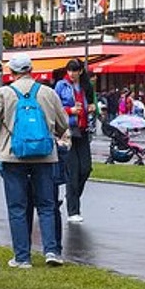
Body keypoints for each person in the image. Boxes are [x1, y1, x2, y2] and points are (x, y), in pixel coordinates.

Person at [0, 54, 69, 268]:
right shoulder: (48, 92)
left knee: (17, 207)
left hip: (13, 156)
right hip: (45, 156)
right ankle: (51, 251)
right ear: (31, 70)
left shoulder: (4, 93)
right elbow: (63, 124)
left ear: (12, 73)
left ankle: (22, 257)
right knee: (47, 205)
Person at [54, 59, 92, 224]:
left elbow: (92, 103)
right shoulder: (61, 86)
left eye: (74, 71)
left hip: (83, 130)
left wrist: (92, 108)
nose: (71, 74)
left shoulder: (85, 87)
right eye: (69, 71)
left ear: (80, 72)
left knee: (86, 168)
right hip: (68, 130)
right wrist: (70, 110)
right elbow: (55, 107)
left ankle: (72, 197)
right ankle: (73, 209)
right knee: (73, 171)